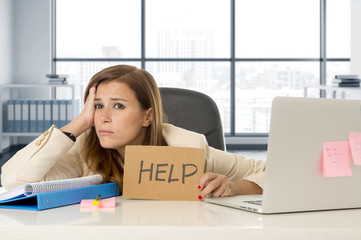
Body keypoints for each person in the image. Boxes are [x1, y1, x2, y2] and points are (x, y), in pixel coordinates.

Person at [1, 64, 265, 200]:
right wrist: (78, 124)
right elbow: (13, 182)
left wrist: (234, 186)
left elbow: (272, 170)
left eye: (118, 106)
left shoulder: (189, 146)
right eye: (97, 106)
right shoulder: (85, 150)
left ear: (147, 115)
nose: (103, 117)